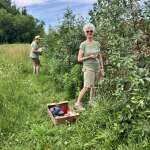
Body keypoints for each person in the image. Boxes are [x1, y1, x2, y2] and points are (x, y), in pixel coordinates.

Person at [74, 23, 104, 111]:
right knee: (87, 86)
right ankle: (77, 103)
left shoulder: (97, 43)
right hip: (88, 67)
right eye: (87, 31)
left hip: (97, 67)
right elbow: (79, 59)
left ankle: (92, 101)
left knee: (94, 86)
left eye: (91, 31)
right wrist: (89, 56)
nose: (89, 33)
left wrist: (102, 68)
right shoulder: (83, 44)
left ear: (93, 32)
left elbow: (100, 56)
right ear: (85, 33)